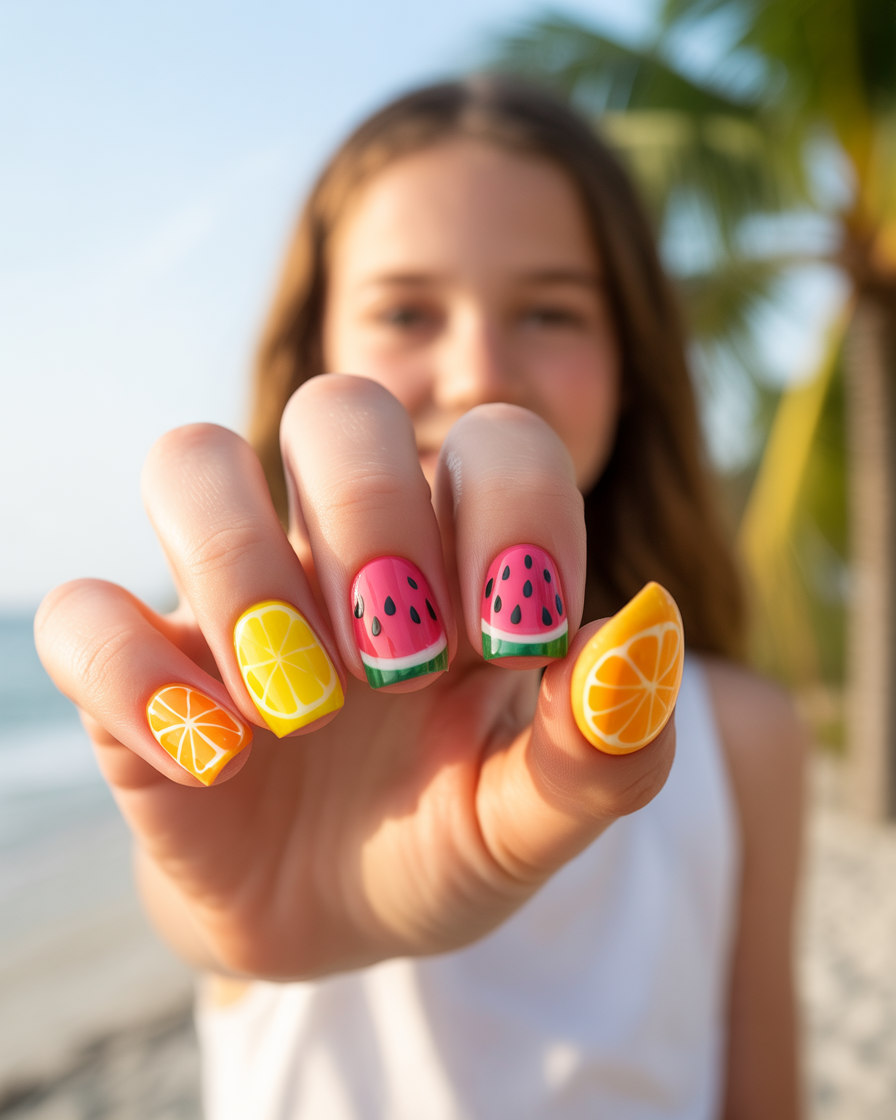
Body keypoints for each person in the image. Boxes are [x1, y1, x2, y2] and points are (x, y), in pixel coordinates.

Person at [35, 77, 807, 1119]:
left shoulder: (744, 735)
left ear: (632, 363)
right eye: (405, 311)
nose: (478, 372)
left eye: (551, 311)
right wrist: (233, 914)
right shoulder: (257, 707)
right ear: (314, 353)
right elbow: (191, 905)